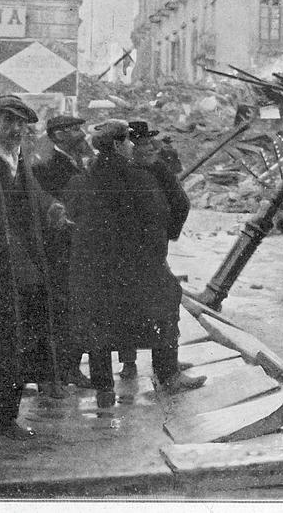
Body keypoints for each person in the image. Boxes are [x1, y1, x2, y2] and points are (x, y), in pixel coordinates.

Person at [64, 120, 205, 408]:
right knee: (167, 302)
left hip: (96, 270)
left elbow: (73, 223)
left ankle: (104, 389)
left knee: (99, 324)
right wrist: (153, 257)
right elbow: (159, 217)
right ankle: (168, 375)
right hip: (137, 268)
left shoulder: (83, 178)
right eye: (128, 141)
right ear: (117, 145)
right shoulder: (140, 179)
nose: (132, 146)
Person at [0, 96, 69, 449]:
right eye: (10, 122)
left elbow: (31, 192)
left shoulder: (16, 155)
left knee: (20, 343)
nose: (17, 129)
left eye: (22, 123)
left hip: (21, 265)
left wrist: (51, 205)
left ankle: (5, 418)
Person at [115, 121, 193, 380]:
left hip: (133, 253)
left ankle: (132, 363)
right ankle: (168, 372)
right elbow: (181, 204)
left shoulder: (119, 171)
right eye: (141, 144)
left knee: (131, 305)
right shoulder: (153, 170)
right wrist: (166, 234)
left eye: (149, 143)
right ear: (127, 147)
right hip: (146, 253)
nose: (148, 148)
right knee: (167, 301)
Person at [32, 115, 93, 388]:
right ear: (57, 136)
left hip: (76, 245)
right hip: (59, 247)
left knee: (73, 308)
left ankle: (68, 368)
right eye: (73, 130)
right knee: (61, 309)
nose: (81, 133)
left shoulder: (72, 159)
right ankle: (59, 372)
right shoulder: (48, 164)